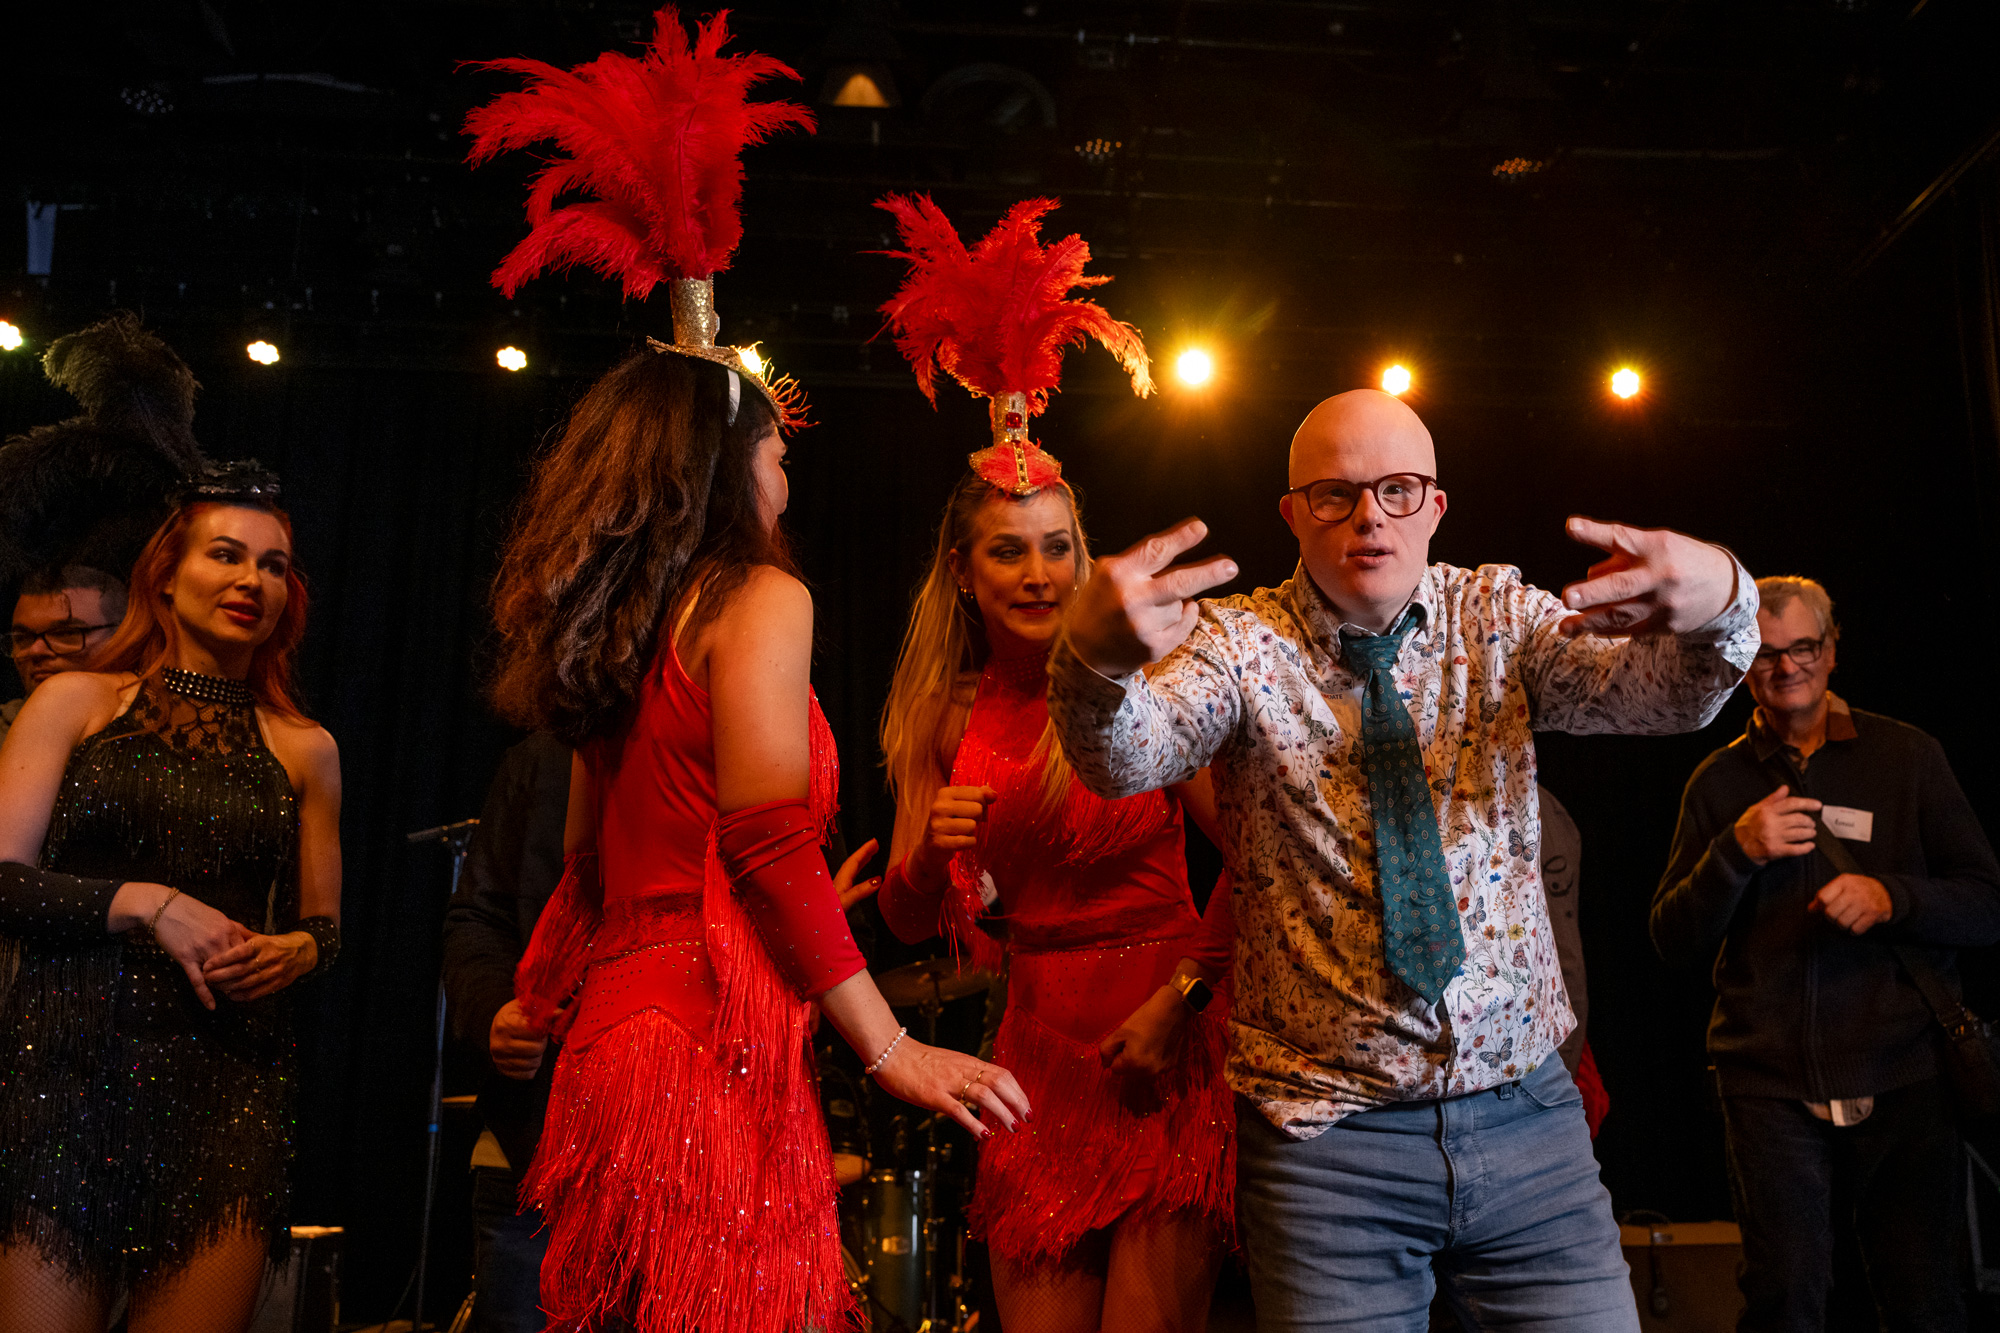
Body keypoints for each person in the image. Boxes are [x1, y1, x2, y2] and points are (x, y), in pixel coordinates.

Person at [470, 17, 1028, 1331]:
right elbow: (768, 839)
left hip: (621, 1039)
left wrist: (538, 1000)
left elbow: (596, 872)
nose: (791, 475)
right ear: (729, 466)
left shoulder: (628, 627)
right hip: (703, 1043)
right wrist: (889, 1049)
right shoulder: (760, 599)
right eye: (778, 451)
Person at [1044, 387, 1760, 1331]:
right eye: (1335, 495)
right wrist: (1090, 662)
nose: (1369, 515)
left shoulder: (1495, 617)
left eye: (1396, 488)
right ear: (1292, 515)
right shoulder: (1237, 646)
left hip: (1528, 1122)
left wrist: (1723, 596)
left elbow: (1665, 696)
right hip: (1327, 1152)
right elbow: (1125, 754)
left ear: (1435, 506)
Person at [872, 192, 1234, 1331]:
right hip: (1031, 1052)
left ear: (1083, 555)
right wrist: (930, 861)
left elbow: (1263, 863)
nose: (1036, 574)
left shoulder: (1151, 686)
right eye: (1007, 552)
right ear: (965, 570)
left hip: (1162, 1038)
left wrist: (1182, 1000)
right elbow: (897, 911)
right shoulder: (942, 711)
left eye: (1056, 548)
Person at [0, 461, 342, 1333]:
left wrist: (297, 950)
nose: (250, 581)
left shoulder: (305, 747)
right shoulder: (76, 701)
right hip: (63, 1088)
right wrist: (143, 901)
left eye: (272, 565)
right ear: (166, 573)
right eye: (227, 555)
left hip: (226, 1093)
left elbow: (324, 930)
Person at [1654, 575, 2000, 1333]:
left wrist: (1891, 898)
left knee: (1924, 1303)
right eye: (1767, 653)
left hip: (1905, 1072)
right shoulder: (1718, 784)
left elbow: (1985, 903)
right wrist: (1735, 852)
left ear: (1832, 650)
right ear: (1745, 664)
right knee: (1785, 1302)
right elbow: (1671, 937)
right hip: (1770, 1085)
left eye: (1803, 647)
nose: (1787, 667)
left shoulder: (1908, 758)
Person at [440, 731, 571, 1333]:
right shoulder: (542, 761)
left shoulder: (737, 751)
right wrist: (496, 1009)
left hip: (690, 1165)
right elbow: (476, 919)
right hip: (532, 1150)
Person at [2, 567, 128, 744]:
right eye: (23, 638)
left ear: (122, 637)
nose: (35, 650)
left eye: (64, 634)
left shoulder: (162, 729)